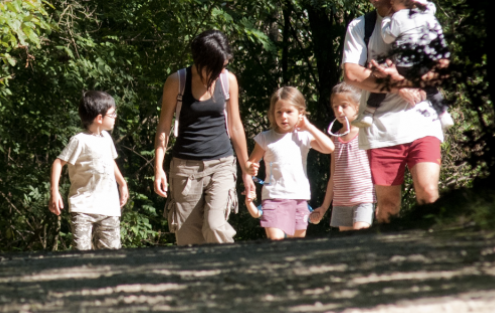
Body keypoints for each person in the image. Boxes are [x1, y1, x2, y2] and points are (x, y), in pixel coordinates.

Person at [342, 0, 446, 223]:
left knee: (429, 192)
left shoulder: (423, 17)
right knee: (388, 206)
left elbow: (443, 68)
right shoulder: (360, 26)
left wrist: (411, 80)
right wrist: (400, 86)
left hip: (423, 121)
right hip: (381, 129)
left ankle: (435, 255)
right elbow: (352, 74)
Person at [154, 29, 254, 246]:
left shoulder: (229, 81)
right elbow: (163, 128)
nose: (221, 72)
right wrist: (158, 168)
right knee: (189, 242)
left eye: (224, 66)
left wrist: (246, 171)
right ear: (201, 61)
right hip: (185, 170)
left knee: (215, 225)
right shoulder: (177, 81)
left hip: (222, 164)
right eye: (216, 67)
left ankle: (232, 269)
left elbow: (236, 127)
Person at [357, 0, 453, 130]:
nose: (392, 2)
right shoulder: (428, 17)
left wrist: (387, 20)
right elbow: (438, 38)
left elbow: (388, 37)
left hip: (403, 64)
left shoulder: (398, 16)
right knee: (431, 89)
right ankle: (443, 113)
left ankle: (368, 113)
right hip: (422, 64)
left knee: (383, 81)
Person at [245, 86, 334, 240]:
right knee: (277, 245)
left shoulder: (304, 136)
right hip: (273, 198)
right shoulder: (265, 138)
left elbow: (329, 148)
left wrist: (309, 126)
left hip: (299, 198)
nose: (283, 116)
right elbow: (249, 164)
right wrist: (250, 168)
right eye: (278, 112)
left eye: (289, 112)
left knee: (296, 249)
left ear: (300, 112)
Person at [49, 90, 129, 251]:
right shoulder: (79, 140)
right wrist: (54, 192)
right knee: (81, 255)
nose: (115, 117)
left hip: (109, 208)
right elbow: (58, 162)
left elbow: (110, 160)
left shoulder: (106, 138)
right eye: (112, 114)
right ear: (99, 118)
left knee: (111, 256)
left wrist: (122, 183)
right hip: (83, 208)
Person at [309, 83, 376, 230]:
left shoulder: (366, 133)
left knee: (359, 239)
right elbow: (334, 175)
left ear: (357, 107)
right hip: (340, 202)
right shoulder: (334, 139)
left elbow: (377, 168)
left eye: (344, 106)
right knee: (348, 247)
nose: (339, 111)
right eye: (335, 106)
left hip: (363, 199)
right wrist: (324, 207)